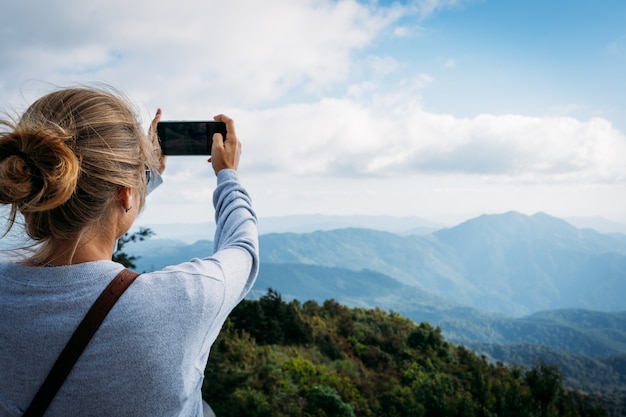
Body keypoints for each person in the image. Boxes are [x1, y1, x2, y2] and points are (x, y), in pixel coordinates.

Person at [0, 86, 259, 416]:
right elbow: (243, 249)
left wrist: (138, 180)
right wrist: (228, 174)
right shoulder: (182, 300)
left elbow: (92, 237)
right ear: (125, 194)